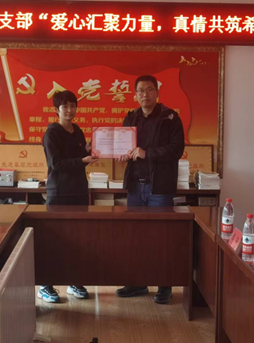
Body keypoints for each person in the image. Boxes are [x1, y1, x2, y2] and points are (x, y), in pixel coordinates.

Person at [115, 75, 185, 304]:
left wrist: (148, 153)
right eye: (140, 91)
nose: (145, 94)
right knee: (136, 237)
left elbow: (176, 149)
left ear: (157, 92)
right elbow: (124, 146)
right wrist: (122, 154)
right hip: (135, 187)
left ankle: (164, 286)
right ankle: (138, 282)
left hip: (159, 188)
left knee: (161, 237)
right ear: (135, 95)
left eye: (149, 89)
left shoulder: (170, 118)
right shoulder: (131, 118)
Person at [40, 90, 99, 303]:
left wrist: (88, 150)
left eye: (72, 105)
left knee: (78, 240)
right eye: (64, 106)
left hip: (79, 191)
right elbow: (56, 164)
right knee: (55, 240)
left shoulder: (78, 131)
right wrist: (82, 160)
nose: (69, 110)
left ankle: (75, 282)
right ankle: (46, 286)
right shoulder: (51, 134)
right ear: (56, 110)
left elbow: (79, 157)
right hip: (59, 193)